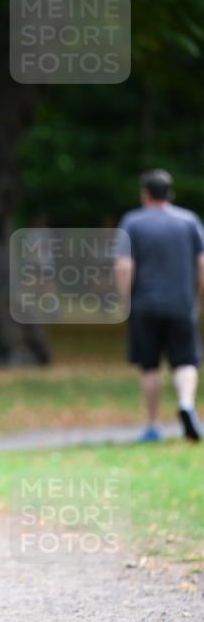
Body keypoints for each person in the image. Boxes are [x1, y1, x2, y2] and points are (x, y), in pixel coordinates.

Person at [115, 168, 204, 442]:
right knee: (186, 361)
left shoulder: (132, 222)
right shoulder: (189, 221)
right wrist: (197, 296)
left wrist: (124, 298)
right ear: (170, 193)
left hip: (145, 305)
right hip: (182, 303)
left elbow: (124, 265)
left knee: (149, 365)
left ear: (145, 194)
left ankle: (153, 425)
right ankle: (186, 404)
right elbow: (202, 264)